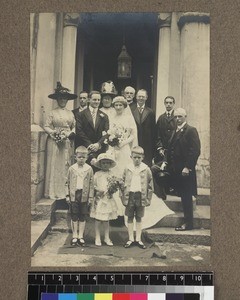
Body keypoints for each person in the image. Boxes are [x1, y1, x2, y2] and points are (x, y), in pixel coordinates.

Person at [167, 108, 201, 231]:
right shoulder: (175, 131)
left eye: (180, 116)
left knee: (186, 197)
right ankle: (187, 222)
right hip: (176, 170)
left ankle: (188, 223)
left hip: (185, 171)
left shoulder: (191, 130)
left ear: (185, 117)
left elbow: (195, 150)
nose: (177, 119)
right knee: (182, 196)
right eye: (175, 117)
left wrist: (187, 167)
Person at [44, 82, 76, 200]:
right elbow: (46, 126)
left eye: (65, 98)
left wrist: (67, 134)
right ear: (57, 100)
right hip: (55, 142)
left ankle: (64, 193)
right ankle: (53, 192)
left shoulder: (70, 113)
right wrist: (54, 133)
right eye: (61, 98)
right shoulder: (52, 113)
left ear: (67, 100)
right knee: (55, 165)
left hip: (66, 141)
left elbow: (74, 127)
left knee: (65, 165)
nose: (63, 100)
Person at [121, 146, 153, 249]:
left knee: (139, 217)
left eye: (139, 157)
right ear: (131, 157)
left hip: (140, 196)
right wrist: (122, 195)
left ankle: (138, 239)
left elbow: (150, 186)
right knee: (130, 217)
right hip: (130, 195)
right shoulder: (127, 168)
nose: (137, 159)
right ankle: (131, 238)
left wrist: (148, 198)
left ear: (142, 157)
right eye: (135, 157)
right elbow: (122, 182)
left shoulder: (146, 169)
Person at [65, 146, 94, 247]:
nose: (81, 159)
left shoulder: (89, 169)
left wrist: (90, 197)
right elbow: (67, 182)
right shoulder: (72, 169)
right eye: (79, 157)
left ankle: (81, 236)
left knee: (82, 215)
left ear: (87, 158)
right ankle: (74, 236)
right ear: (75, 157)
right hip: (74, 195)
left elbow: (91, 184)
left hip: (84, 195)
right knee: (74, 215)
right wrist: (67, 195)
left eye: (84, 157)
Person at [90, 153, 118, 246]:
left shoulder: (112, 174)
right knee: (98, 219)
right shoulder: (97, 174)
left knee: (106, 219)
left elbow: (114, 185)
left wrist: (111, 190)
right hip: (99, 198)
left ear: (110, 164)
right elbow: (93, 185)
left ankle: (106, 237)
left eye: (107, 163)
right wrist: (98, 190)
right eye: (103, 163)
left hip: (108, 198)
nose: (105, 165)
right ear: (100, 164)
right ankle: (97, 237)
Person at [76, 91, 109, 163]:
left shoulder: (104, 116)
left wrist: (98, 144)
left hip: (99, 150)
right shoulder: (80, 115)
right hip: (85, 149)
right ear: (88, 100)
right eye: (94, 99)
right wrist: (90, 145)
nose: (97, 102)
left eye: (98, 100)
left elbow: (106, 132)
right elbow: (79, 131)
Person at [154, 96, 177, 199]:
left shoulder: (177, 117)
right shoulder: (161, 118)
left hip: (173, 150)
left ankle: (172, 189)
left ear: (173, 104)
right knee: (161, 170)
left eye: (170, 103)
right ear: (164, 104)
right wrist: (160, 148)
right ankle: (162, 192)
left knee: (172, 169)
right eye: (166, 103)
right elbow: (157, 135)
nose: (168, 104)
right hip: (162, 151)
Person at [131, 89, 156, 166]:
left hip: (147, 144)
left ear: (146, 97)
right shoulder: (131, 110)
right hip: (134, 142)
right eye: (139, 96)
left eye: (143, 96)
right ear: (136, 97)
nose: (141, 98)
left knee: (146, 165)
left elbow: (153, 131)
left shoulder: (150, 112)